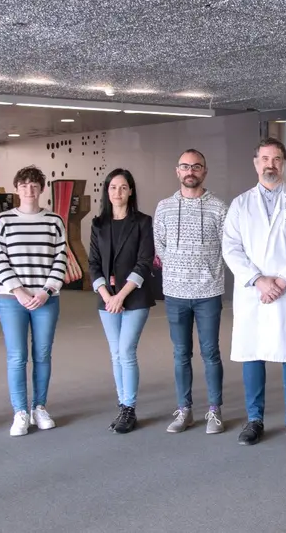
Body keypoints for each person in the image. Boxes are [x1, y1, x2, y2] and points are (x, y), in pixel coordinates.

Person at [222, 137, 286, 446]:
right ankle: (255, 420)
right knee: (253, 353)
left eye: (276, 159)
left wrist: (282, 281)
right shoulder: (240, 204)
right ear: (256, 163)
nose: (270, 165)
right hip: (254, 291)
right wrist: (259, 281)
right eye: (265, 159)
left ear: (284, 164)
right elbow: (231, 248)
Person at [153, 149, 228, 435]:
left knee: (211, 352)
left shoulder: (219, 208)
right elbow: (159, 246)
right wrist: (178, 267)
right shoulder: (164, 207)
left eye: (196, 167)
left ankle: (214, 411)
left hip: (208, 291)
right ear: (177, 171)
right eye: (185, 166)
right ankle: (184, 409)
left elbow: (228, 247)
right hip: (175, 292)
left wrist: (205, 270)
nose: (190, 171)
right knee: (181, 353)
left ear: (204, 171)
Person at [0, 165, 68, 437]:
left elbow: (61, 257)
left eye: (34, 185)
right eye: (24, 185)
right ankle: (20, 412)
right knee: (17, 356)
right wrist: (19, 291)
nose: (29, 190)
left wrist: (46, 290)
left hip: (46, 298)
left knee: (42, 355)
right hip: (12, 299)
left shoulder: (54, 220)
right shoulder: (3, 220)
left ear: (41, 189)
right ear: (17, 189)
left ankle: (39, 407)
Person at [90, 168, 156, 434]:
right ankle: (122, 404)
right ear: (107, 192)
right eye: (113, 187)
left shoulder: (143, 222)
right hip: (107, 299)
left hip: (134, 297)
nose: (117, 192)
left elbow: (144, 261)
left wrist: (121, 295)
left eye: (123, 187)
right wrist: (107, 295)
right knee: (115, 353)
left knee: (126, 351)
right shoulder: (98, 224)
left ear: (131, 191)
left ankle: (129, 408)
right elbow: (93, 263)